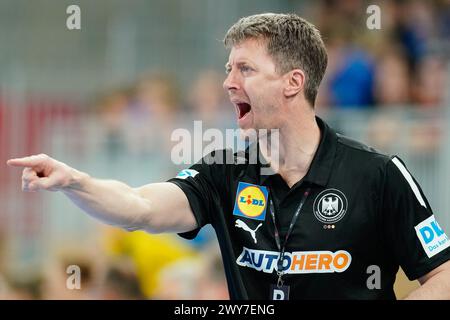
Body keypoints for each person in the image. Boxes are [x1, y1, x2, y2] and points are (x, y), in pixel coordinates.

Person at [7, 13, 450, 300]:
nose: (227, 83)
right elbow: (139, 207)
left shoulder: (378, 174)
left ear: (292, 83)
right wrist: (75, 182)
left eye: (245, 69)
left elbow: (442, 276)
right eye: (227, 69)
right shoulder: (223, 173)